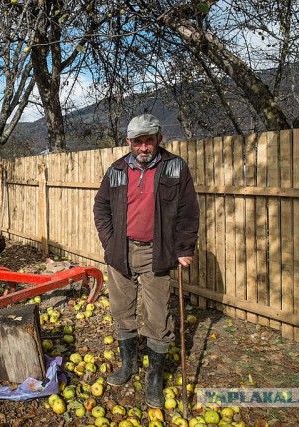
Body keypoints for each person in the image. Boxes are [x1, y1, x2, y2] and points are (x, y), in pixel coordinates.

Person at [93, 113, 199, 408]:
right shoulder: (116, 170)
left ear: (158, 140)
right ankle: (128, 366)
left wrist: (184, 247)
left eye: (148, 141)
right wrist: (109, 240)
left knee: (157, 317)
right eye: (137, 142)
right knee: (121, 309)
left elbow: (189, 212)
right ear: (128, 142)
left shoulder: (175, 167)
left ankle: (154, 377)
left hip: (158, 252)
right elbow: (101, 207)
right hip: (121, 252)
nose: (143, 147)